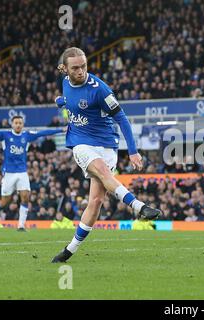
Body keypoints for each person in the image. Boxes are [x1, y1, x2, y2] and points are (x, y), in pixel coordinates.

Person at [51, 47, 161, 263]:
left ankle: (69, 250)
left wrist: (133, 151)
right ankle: (139, 206)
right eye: (75, 68)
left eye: (84, 66)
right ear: (65, 69)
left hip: (106, 145)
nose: (81, 71)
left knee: (96, 201)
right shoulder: (65, 83)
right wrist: (61, 102)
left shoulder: (100, 89)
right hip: (81, 143)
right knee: (101, 171)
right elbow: (72, 101)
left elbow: (122, 119)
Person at [0, 115, 64, 231]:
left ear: (23, 124)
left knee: (25, 197)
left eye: (20, 123)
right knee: (5, 201)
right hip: (9, 173)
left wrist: (61, 129)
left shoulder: (27, 135)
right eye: (16, 123)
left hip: (22, 172)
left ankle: (21, 225)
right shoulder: (5, 135)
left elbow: (43, 133)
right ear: (12, 124)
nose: (18, 125)